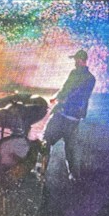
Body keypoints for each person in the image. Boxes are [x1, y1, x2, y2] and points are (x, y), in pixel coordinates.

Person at [41, 49, 96, 182]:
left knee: (65, 147)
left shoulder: (90, 78)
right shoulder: (74, 73)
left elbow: (80, 94)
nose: (75, 62)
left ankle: (73, 177)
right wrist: (56, 97)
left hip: (70, 117)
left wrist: (65, 98)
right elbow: (65, 87)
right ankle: (42, 172)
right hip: (64, 115)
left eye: (76, 59)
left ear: (82, 60)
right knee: (48, 142)